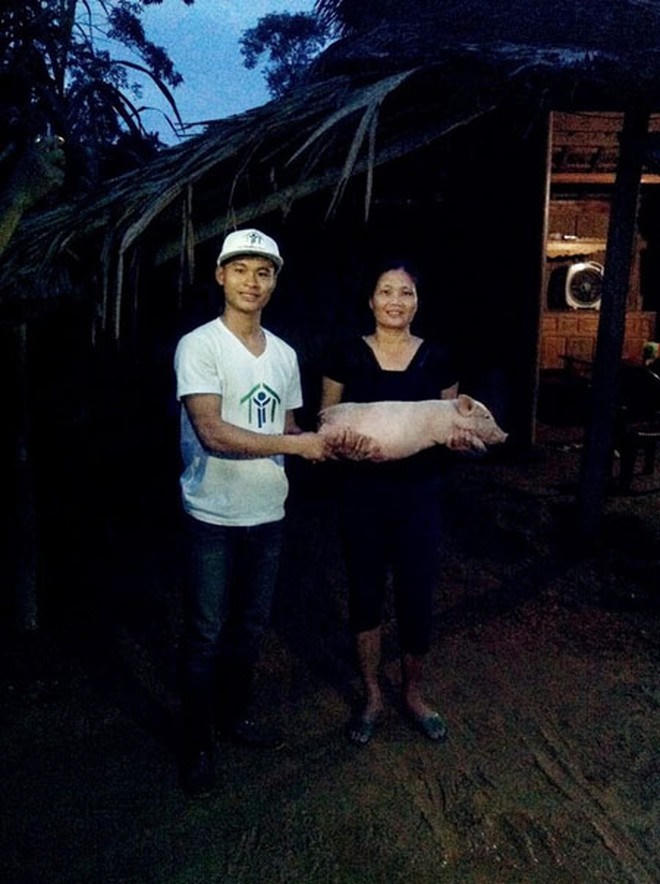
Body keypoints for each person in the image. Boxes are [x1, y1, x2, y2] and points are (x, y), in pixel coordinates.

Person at [174, 228, 329, 795]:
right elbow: (211, 432)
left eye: (263, 272)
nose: (252, 282)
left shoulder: (285, 355)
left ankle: (232, 716)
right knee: (205, 631)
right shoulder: (200, 345)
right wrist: (297, 445)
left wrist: (335, 439)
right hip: (211, 514)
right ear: (220, 276)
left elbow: (289, 426)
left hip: (267, 514)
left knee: (251, 626)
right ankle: (196, 743)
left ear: (274, 283)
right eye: (240, 269)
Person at [321, 261, 460, 746]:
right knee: (365, 592)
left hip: (420, 495)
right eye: (386, 291)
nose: (395, 301)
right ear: (371, 300)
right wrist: (343, 445)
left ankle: (413, 693)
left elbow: (449, 425)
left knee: (416, 594)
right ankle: (372, 696)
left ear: (417, 302)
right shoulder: (345, 354)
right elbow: (327, 421)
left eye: (405, 292)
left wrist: (458, 441)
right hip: (362, 495)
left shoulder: (438, 358)